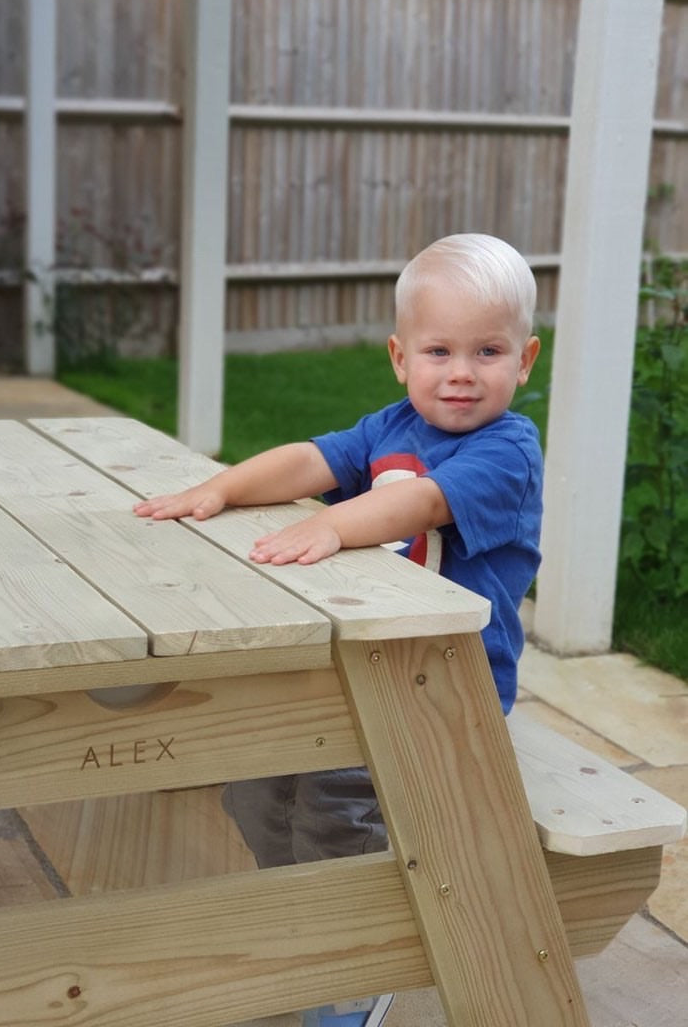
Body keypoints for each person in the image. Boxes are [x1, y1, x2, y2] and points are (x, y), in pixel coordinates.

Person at [134, 232, 543, 1027]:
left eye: (488, 351)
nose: (461, 372)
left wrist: (334, 530)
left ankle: (353, 969)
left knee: (335, 807)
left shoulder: (507, 449)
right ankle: (307, 923)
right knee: (254, 781)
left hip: (443, 689)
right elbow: (309, 460)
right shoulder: (392, 426)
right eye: (439, 351)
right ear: (400, 357)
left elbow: (419, 506)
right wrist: (222, 489)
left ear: (525, 361)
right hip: (357, 667)